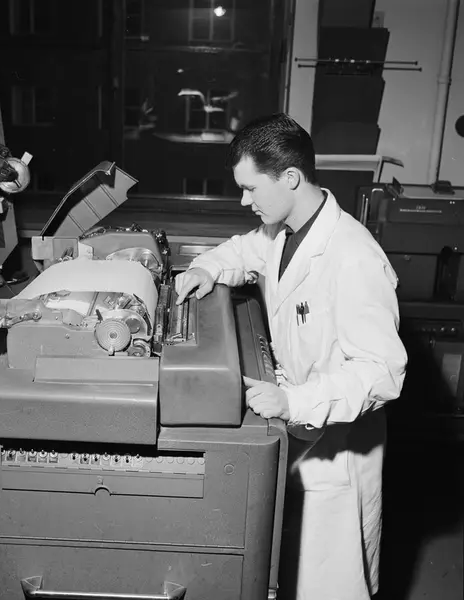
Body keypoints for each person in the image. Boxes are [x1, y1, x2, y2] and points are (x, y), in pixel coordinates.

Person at [174, 113, 407, 600]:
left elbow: (382, 372)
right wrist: (206, 269)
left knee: (329, 581)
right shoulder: (283, 231)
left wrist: (293, 402)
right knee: (286, 567)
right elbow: (242, 252)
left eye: (250, 189)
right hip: (299, 428)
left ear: (291, 178)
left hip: (339, 443)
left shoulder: (354, 256)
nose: (245, 201)